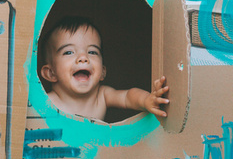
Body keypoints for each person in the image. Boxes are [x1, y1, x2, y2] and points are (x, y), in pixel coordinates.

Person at [40, 16, 169, 121]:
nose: (83, 58)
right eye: (68, 52)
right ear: (51, 73)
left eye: (92, 52)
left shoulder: (101, 96)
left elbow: (127, 97)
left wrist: (147, 100)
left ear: (102, 72)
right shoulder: (45, 101)